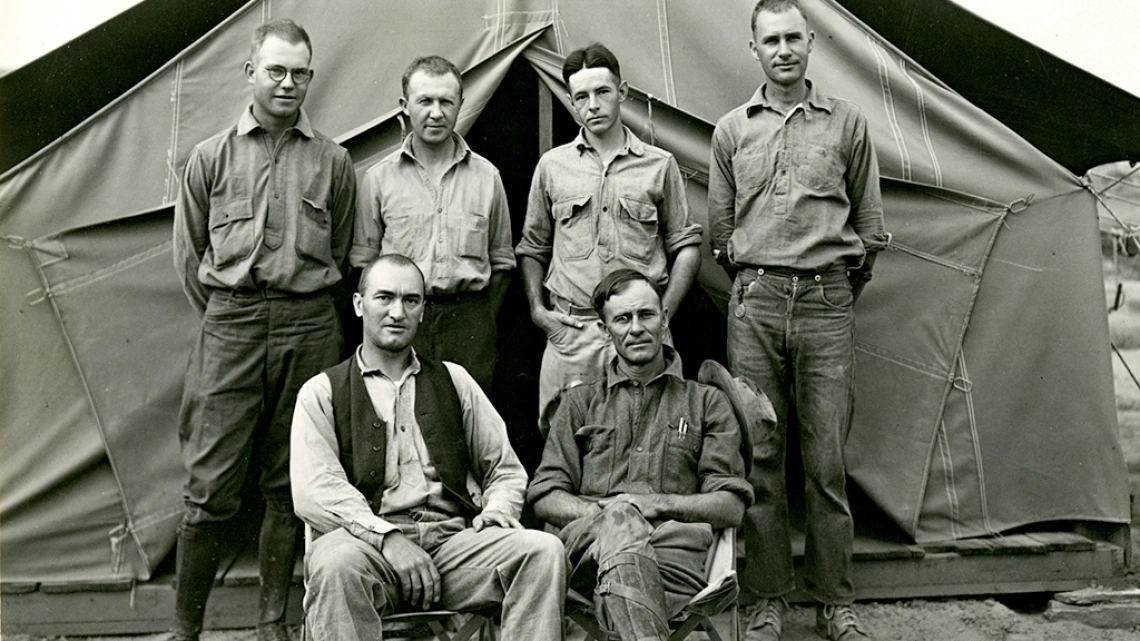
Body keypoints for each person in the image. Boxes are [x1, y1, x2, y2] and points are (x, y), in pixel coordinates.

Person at [707, 1, 889, 639]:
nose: (782, 49)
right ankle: (767, 598)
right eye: (769, 40)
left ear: (811, 43)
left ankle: (835, 600)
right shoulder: (732, 130)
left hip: (827, 304)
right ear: (752, 47)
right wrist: (767, 282)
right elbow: (721, 235)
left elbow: (868, 230)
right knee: (760, 455)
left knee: (825, 458)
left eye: (793, 38)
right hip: (754, 304)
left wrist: (828, 289)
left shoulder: (848, 124)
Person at [170, 18, 355, 641]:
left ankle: (272, 626)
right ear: (250, 72)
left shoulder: (333, 161)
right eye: (275, 70)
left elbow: (348, 250)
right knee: (209, 484)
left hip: (309, 325)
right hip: (232, 322)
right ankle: (184, 631)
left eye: (300, 73)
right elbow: (190, 259)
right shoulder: (210, 157)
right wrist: (235, 315)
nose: (288, 83)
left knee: (290, 479)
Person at [291, 254, 566, 641]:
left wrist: (497, 511)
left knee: (542, 552)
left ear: (422, 310)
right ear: (358, 305)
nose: (397, 312)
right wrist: (388, 538)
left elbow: (503, 468)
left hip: (451, 548)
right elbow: (315, 491)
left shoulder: (455, 380)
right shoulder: (322, 392)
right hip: (365, 551)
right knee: (335, 563)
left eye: (411, 300)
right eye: (383, 298)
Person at [528, 268, 753, 641]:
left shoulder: (706, 403)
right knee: (620, 521)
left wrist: (655, 505)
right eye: (622, 318)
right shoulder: (579, 403)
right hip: (589, 559)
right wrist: (612, 515)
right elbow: (546, 495)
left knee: (624, 534)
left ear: (664, 319)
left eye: (646, 315)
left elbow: (731, 505)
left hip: (672, 561)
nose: (636, 328)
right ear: (604, 331)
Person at [516, 43, 702, 422]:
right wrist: (539, 312)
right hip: (574, 333)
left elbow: (686, 246)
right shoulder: (552, 167)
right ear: (570, 101)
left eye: (602, 92)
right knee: (566, 443)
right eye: (581, 96)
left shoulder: (658, 164)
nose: (593, 105)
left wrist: (662, 313)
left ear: (623, 92)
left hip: (641, 332)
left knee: (651, 439)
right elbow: (532, 247)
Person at [351, 56, 514, 392]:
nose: (436, 112)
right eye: (425, 100)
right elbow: (363, 266)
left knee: (466, 421)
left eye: (446, 101)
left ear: (461, 105)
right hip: (401, 319)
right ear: (405, 106)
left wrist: (477, 320)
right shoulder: (379, 179)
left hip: (468, 324)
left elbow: (502, 263)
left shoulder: (488, 177)